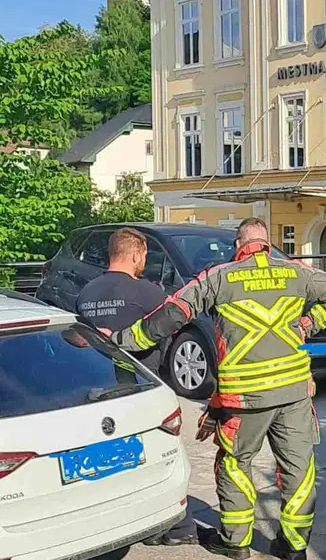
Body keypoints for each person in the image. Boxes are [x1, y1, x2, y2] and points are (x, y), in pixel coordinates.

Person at [104, 217, 326, 560]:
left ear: (238, 245)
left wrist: (122, 340)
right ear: (266, 243)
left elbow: (174, 313)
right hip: (293, 391)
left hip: (244, 398)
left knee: (235, 464)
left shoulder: (219, 277)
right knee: (299, 468)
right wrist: (308, 324)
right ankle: (294, 546)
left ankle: (236, 543)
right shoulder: (297, 272)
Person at [77, 228, 197, 547]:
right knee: (158, 456)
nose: (143, 262)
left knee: (110, 464)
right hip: (142, 389)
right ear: (134, 256)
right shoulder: (147, 292)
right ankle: (171, 525)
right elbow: (174, 324)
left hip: (100, 393)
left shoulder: (86, 293)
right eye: (143, 256)